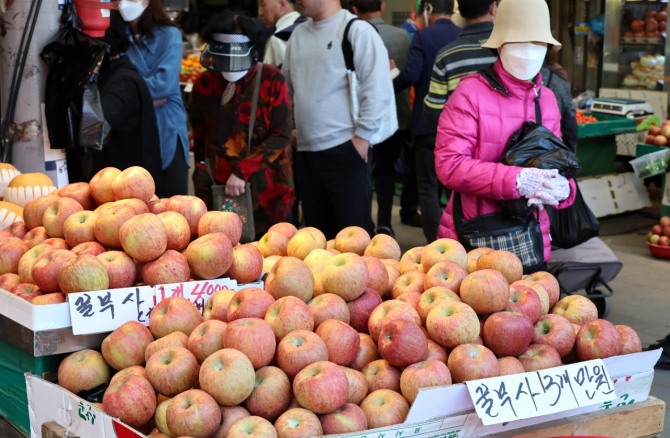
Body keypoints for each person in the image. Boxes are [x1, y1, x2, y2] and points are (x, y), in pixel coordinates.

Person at [434, 0, 577, 269]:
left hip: (531, 240)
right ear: (499, 45)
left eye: (537, 44)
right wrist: (518, 179)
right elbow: (449, 165)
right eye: (518, 43)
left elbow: (559, 164)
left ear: (547, 48)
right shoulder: (469, 93)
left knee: (532, 307)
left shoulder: (546, 99)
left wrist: (563, 189)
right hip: (476, 239)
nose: (528, 53)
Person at [282, 0, 394, 239]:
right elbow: (288, 90)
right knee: (316, 239)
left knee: (353, 239)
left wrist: (362, 137)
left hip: (346, 150)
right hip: (306, 153)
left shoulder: (356, 30)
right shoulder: (297, 35)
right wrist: (291, 130)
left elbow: (379, 88)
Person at [190, 13, 295, 238]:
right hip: (216, 190)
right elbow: (200, 136)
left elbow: (281, 134)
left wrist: (242, 171)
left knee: (273, 254)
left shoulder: (272, 80)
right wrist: (201, 172)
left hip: (268, 191)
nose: (229, 65)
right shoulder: (204, 85)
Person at [393, 0, 461, 243]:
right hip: (460, 127)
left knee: (427, 187)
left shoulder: (423, 37)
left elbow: (411, 73)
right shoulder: (461, 36)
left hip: (428, 124)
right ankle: (456, 239)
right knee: (455, 188)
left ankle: (437, 243)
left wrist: (390, 81)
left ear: (429, 8)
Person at [351, 0, 419, 238]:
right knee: (386, 171)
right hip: (396, 117)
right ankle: (384, 223)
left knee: (362, 172)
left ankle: (362, 225)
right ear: (383, 4)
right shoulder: (402, 36)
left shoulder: (351, 37)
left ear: (353, 9)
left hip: (359, 119)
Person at [118, 0, 190, 198]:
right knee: (135, 203)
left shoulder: (169, 35)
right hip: (130, 131)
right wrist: (143, 98)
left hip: (166, 127)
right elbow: (112, 87)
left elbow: (164, 85)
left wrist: (130, 97)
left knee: (173, 205)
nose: (124, 3)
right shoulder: (117, 37)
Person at [423, 0, 498, 125]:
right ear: (493, 8)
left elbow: (433, 111)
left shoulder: (446, 56)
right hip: (507, 142)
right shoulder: (506, 50)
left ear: (461, 13)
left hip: (461, 140)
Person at [541, 47, 578, 153]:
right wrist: (571, 156)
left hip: (513, 154)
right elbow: (570, 126)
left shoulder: (507, 78)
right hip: (550, 150)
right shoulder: (560, 81)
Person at [258, 0, 303, 68]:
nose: (260, 13)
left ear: (281, 4)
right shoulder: (310, 27)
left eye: (263, 5)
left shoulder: (278, 38)